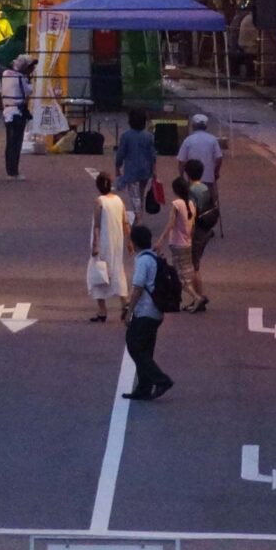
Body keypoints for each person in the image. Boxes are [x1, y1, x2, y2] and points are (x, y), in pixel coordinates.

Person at [122, 224, 174, 401]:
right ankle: (144, 388)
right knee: (146, 348)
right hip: (156, 312)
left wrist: (129, 311)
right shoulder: (153, 257)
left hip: (145, 311)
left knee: (134, 345)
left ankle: (160, 379)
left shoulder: (142, 261)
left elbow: (137, 288)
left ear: (134, 242)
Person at [87, 171, 132, 323]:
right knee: (117, 270)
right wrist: (129, 242)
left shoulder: (99, 201)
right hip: (117, 241)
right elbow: (125, 222)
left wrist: (95, 245)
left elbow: (97, 226)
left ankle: (102, 310)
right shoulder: (119, 200)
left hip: (104, 242)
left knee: (99, 272)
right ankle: (125, 303)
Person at [162, 175, 208, 313]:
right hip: (187, 242)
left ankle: (196, 297)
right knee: (188, 271)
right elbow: (192, 226)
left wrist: (160, 241)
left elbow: (170, 224)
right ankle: (196, 298)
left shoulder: (177, 204)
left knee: (180, 276)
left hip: (177, 243)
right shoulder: (191, 204)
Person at [114, 108, 159, 218]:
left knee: (134, 195)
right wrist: (154, 170)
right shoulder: (148, 136)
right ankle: (140, 214)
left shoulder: (126, 136)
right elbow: (153, 155)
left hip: (131, 169)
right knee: (141, 193)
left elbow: (121, 153)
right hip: (145, 168)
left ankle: (138, 218)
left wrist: (117, 166)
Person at [0, 55, 33, 177]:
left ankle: (9, 170)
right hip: (17, 112)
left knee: (9, 143)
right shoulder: (20, 78)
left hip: (7, 111)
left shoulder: (5, 74)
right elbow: (28, 91)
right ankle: (14, 171)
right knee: (16, 143)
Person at [180, 113, 224, 188]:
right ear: (206, 126)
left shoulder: (188, 140)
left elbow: (181, 161)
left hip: (192, 178)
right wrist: (216, 172)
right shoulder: (212, 139)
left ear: (193, 126)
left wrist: (181, 176)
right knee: (210, 198)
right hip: (209, 178)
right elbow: (219, 158)